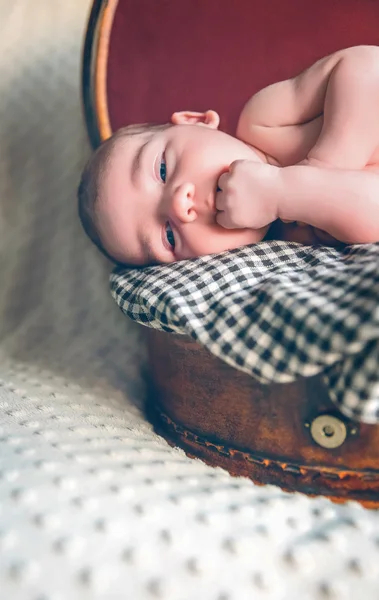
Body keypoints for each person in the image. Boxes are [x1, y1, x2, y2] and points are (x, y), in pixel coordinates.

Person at [78, 45, 379, 266]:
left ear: (196, 122)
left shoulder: (265, 121)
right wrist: (285, 194)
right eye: (169, 236)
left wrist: (325, 167)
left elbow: (367, 68)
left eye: (163, 170)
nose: (179, 203)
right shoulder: (295, 247)